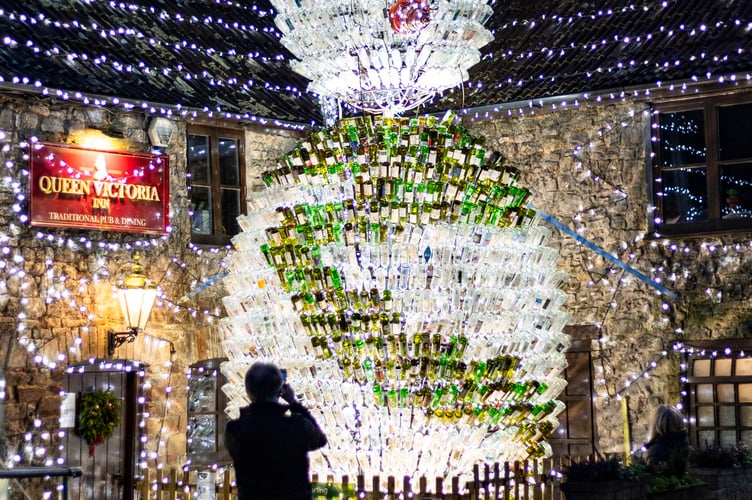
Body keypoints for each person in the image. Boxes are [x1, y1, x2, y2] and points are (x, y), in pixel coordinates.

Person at [225, 362, 327, 500]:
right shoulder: (297, 424)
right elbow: (319, 440)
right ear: (280, 391)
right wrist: (293, 403)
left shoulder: (235, 430)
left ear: (249, 392)